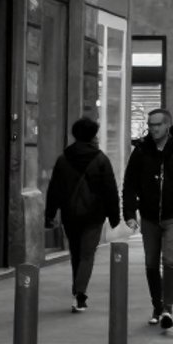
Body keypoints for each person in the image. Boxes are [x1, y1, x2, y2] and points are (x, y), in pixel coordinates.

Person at [123, 108, 173, 331]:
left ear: (167, 126)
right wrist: (129, 213)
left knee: (169, 261)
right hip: (148, 216)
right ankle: (156, 306)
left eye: (157, 124)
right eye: (150, 125)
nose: (153, 128)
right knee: (150, 263)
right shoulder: (141, 152)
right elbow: (129, 185)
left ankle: (167, 308)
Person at [44, 116, 120, 311]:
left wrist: (50, 214)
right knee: (87, 254)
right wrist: (114, 217)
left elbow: (55, 189)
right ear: (92, 135)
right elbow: (109, 190)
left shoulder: (63, 159)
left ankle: (76, 290)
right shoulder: (101, 159)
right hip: (94, 215)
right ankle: (80, 294)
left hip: (70, 214)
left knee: (76, 253)